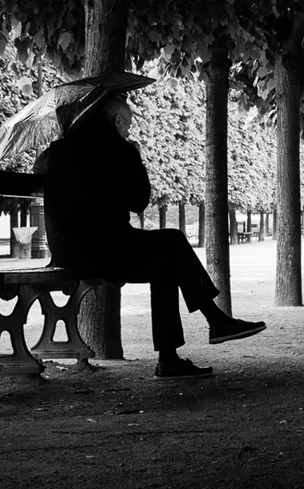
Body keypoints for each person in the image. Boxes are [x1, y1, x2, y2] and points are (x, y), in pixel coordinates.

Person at [38, 82, 264, 378]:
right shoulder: (118, 148)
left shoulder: (57, 151)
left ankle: (178, 354)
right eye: (127, 126)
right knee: (172, 241)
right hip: (104, 249)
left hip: (68, 251)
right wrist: (135, 156)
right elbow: (139, 201)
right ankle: (211, 323)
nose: (128, 132)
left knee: (165, 261)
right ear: (117, 121)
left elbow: (42, 172)